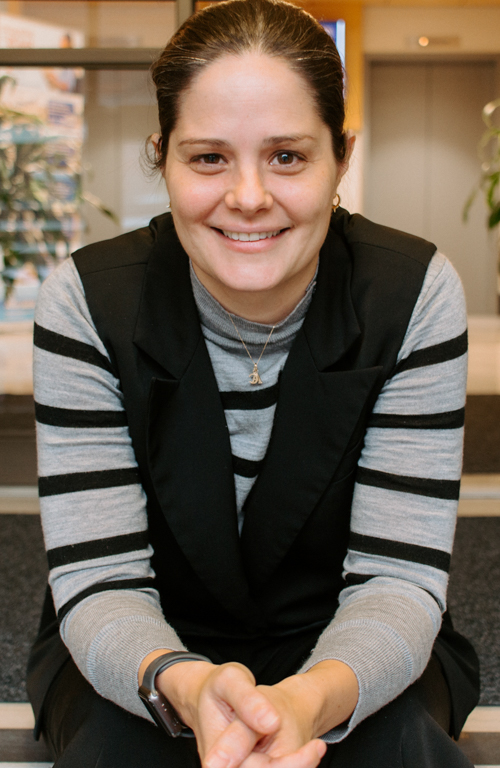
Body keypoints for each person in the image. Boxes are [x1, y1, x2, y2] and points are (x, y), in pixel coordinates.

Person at [27, 1, 479, 766]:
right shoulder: (87, 301)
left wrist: (305, 701)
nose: (247, 196)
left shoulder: (415, 293)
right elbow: (101, 579)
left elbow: (396, 580)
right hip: (139, 651)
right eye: (208, 158)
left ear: (342, 156)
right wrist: (190, 687)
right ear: (162, 156)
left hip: (353, 641)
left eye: (288, 157)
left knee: (401, 749)